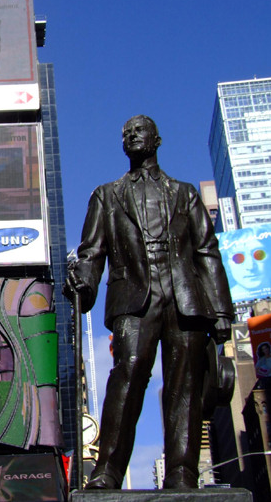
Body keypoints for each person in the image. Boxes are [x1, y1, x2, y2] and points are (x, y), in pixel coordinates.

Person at [64, 115, 234, 490]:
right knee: (128, 373)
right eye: (125, 133)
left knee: (184, 384)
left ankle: (182, 472)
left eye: (138, 131)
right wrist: (85, 286)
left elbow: (207, 252)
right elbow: (92, 252)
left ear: (157, 139)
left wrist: (222, 311)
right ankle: (107, 469)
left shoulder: (185, 193)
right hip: (134, 297)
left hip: (185, 297)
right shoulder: (107, 195)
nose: (130, 136)